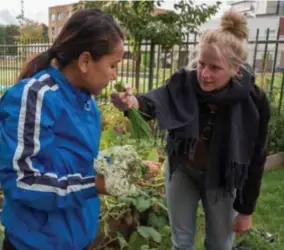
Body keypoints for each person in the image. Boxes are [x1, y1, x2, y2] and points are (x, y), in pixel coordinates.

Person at [111, 10, 271, 250]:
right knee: (181, 243)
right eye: (201, 64)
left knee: (219, 244)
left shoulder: (253, 101)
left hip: (222, 179)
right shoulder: (185, 82)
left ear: (235, 69)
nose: (204, 74)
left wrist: (246, 210)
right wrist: (132, 103)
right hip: (183, 170)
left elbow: (257, 157)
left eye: (215, 68)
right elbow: (156, 101)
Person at [0, 8, 145, 250]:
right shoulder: (36, 97)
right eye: (113, 65)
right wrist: (94, 185)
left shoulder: (88, 103)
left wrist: (126, 166)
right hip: (36, 243)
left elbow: (80, 162)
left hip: (79, 237)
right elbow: (24, 181)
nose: (114, 75)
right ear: (85, 61)